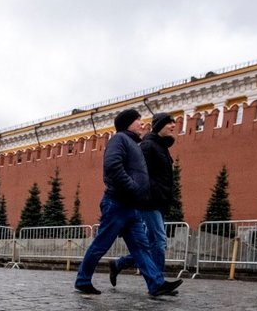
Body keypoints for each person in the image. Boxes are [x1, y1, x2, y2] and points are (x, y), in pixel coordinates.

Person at [74, 108, 182, 297]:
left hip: (132, 207)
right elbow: (112, 167)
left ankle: (156, 284)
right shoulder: (119, 140)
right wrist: (133, 187)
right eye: (138, 120)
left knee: (141, 247)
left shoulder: (134, 144)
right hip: (117, 203)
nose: (143, 123)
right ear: (128, 123)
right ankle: (82, 280)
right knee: (101, 244)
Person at [110, 113, 176, 284]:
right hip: (150, 200)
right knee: (160, 241)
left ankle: (119, 264)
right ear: (160, 125)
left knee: (149, 244)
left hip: (160, 201)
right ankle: (158, 281)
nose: (173, 126)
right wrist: (148, 193)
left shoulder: (162, 147)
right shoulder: (148, 145)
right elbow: (139, 173)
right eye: (170, 123)